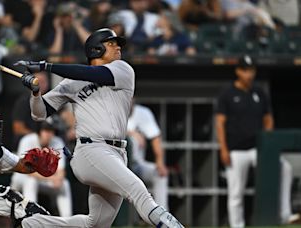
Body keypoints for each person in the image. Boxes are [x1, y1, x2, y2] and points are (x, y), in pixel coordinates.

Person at [16, 28, 184, 228]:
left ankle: (31, 224)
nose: (118, 47)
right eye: (111, 43)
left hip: (117, 152)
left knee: (95, 224)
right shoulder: (72, 82)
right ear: (96, 50)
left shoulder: (122, 70)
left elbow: (92, 73)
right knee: (138, 190)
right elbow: (39, 113)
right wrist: (36, 93)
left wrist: (47, 66)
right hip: (91, 150)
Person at [215, 55, 301, 228]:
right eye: (246, 70)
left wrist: (268, 142)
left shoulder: (259, 92)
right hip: (236, 149)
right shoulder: (227, 93)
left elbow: (268, 119)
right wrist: (223, 149)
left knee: (285, 168)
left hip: (258, 148)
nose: (249, 74)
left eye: (252, 70)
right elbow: (220, 123)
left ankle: (285, 214)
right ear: (238, 71)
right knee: (236, 191)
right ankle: (236, 225)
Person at [11, 120, 73, 217]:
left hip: (44, 179)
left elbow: (61, 170)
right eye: (46, 130)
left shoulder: (57, 141)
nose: (49, 134)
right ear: (39, 131)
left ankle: (67, 220)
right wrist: (53, 178)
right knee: (31, 181)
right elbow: (26, 170)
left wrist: (59, 179)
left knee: (64, 184)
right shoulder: (27, 140)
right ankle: (30, 217)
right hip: (21, 178)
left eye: (51, 130)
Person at [128, 102, 169, 210]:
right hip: (117, 166)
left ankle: (162, 218)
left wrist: (160, 162)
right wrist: (131, 133)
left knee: (159, 174)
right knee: (132, 141)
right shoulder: (112, 112)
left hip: (136, 165)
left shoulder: (143, 112)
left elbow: (155, 138)